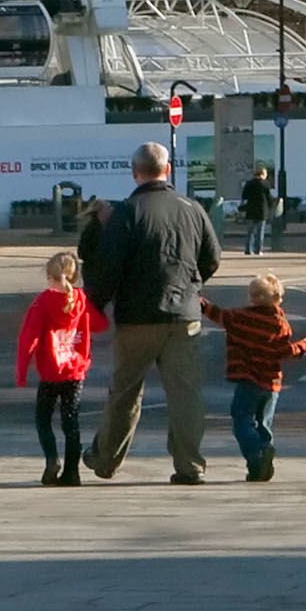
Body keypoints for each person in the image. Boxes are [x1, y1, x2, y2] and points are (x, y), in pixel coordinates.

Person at [84, 139, 220, 481]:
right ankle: (190, 465)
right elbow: (212, 257)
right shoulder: (192, 208)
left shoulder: (128, 213)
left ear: (135, 173)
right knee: (185, 393)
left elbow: (108, 266)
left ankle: (106, 459)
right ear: (167, 170)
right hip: (184, 315)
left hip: (137, 317)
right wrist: (192, 285)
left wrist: (96, 303)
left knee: (126, 392)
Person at [206, 266, 301, 480]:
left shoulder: (239, 318)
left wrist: (199, 300)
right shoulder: (280, 324)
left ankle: (255, 455)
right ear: (278, 299)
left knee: (242, 421)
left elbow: (216, 314)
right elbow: (287, 351)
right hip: (272, 384)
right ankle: (262, 458)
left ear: (251, 297)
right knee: (264, 423)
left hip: (248, 381)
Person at [18, 248, 99, 483]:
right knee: (71, 421)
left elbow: (29, 339)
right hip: (75, 372)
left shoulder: (43, 302)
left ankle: (52, 459)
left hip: (51, 372)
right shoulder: (82, 301)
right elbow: (101, 324)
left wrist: (21, 372)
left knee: (43, 418)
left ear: (52, 278)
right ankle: (72, 472)